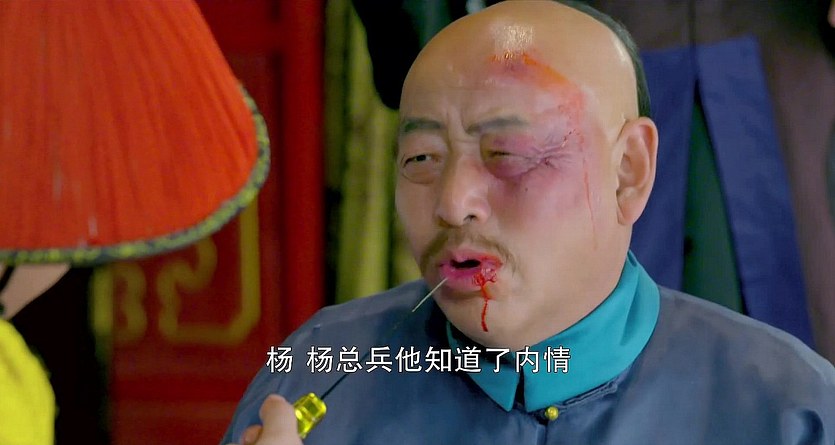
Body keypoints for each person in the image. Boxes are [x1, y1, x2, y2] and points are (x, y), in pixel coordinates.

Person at [221, 1, 835, 444]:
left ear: (628, 171)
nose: (452, 203)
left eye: (507, 154)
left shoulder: (792, 412)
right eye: (421, 159)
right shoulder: (323, 371)